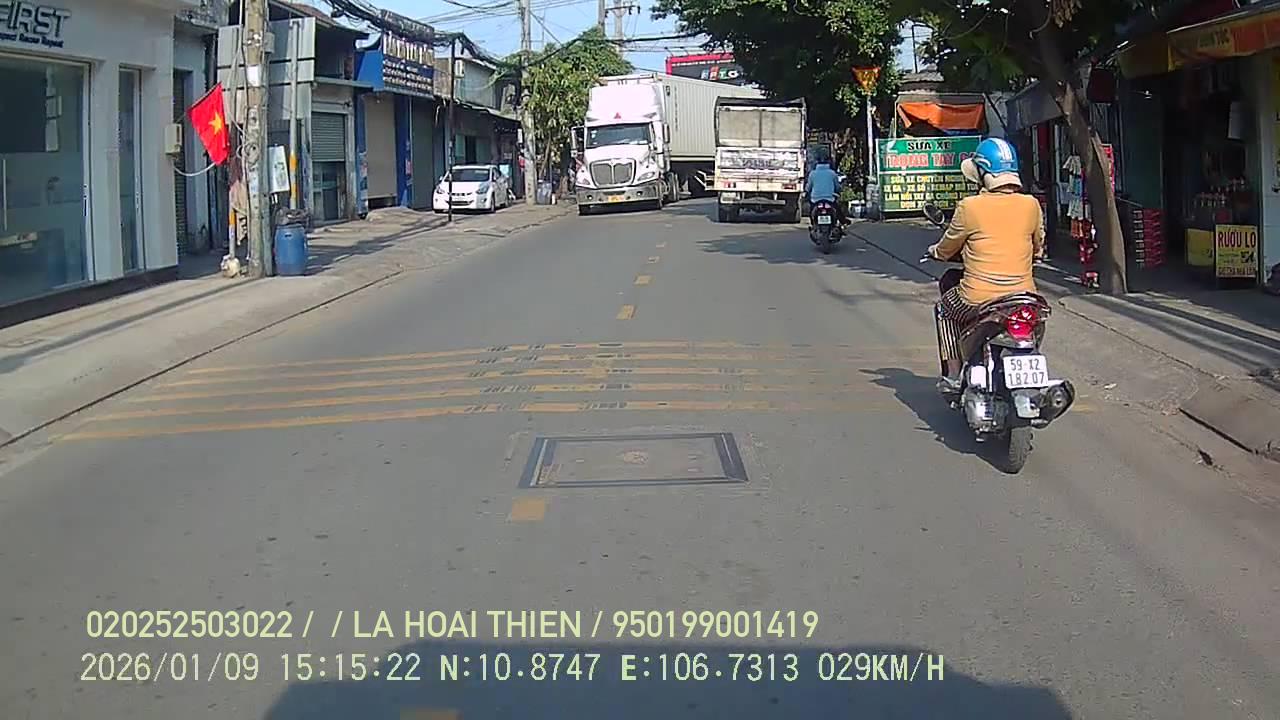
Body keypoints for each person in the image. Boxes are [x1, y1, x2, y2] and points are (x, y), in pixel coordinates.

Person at [926, 137, 1045, 393]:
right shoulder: (1031, 205)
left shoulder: (969, 207)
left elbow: (946, 248)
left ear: (982, 173)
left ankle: (953, 374)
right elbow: (1038, 247)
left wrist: (934, 251)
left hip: (977, 298)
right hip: (1024, 297)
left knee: (944, 310)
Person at [805, 149, 846, 225]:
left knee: (811, 212)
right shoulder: (832, 173)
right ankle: (843, 222)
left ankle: (813, 225)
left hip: (815, 199)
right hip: (830, 198)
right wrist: (839, 191)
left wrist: (807, 192)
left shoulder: (812, 174)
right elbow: (837, 187)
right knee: (838, 210)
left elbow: (808, 187)